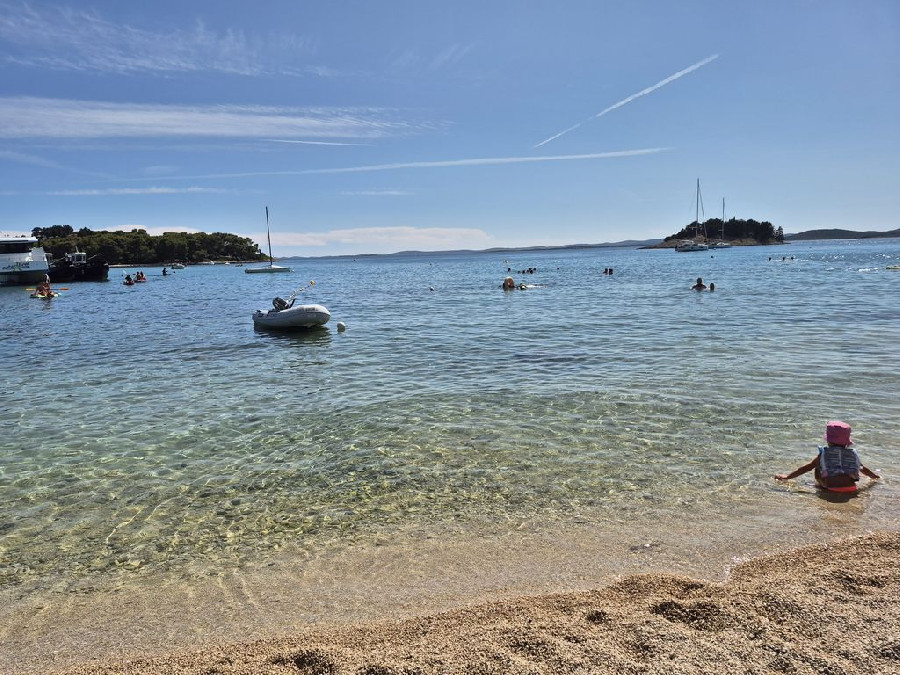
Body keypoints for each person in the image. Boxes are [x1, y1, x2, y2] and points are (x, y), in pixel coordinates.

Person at [774, 421, 880, 492]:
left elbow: (807, 468)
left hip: (830, 488)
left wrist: (787, 477)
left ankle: (820, 486)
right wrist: (875, 477)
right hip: (851, 488)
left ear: (828, 440)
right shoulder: (852, 454)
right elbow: (863, 469)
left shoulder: (824, 453)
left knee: (817, 466)